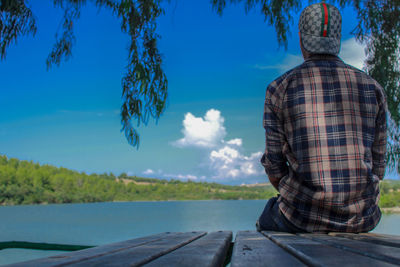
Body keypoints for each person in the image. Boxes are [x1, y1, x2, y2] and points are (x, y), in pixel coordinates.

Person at [257, 2, 387, 233]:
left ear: (301, 38)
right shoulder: (373, 88)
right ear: (337, 40)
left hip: (300, 217)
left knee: (266, 220)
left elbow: (275, 169)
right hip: (362, 218)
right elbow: (378, 168)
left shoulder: (279, 88)